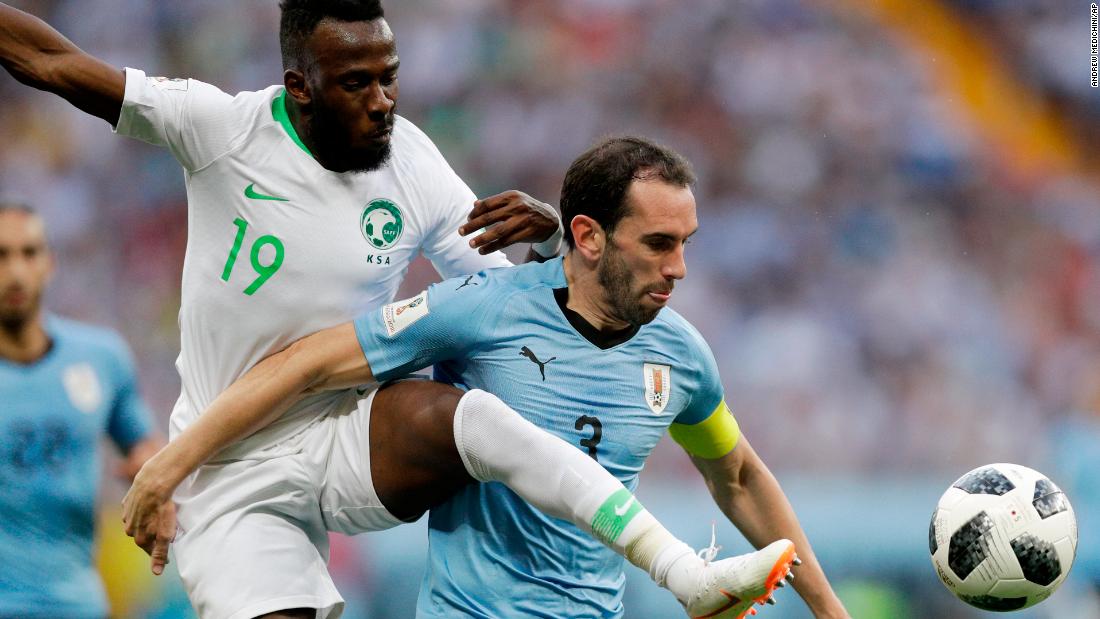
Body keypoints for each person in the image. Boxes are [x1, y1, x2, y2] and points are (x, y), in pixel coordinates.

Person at [0, 3, 789, 618]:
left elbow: (505, 297)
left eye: (391, 76)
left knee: (471, 413)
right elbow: (50, 58)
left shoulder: (408, 157)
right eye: (357, 83)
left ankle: (685, 573)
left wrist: (562, 242)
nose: (383, 101)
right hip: (226, 457)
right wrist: (168, 469)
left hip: (347, 433)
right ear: (299, 86)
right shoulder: (219, 128)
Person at [124, 137, 851, 619]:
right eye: (658, 244)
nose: (678, 268)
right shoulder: (484, 310)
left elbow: (740, 477)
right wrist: (173, 464)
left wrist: (831, 612)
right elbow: (309, 361)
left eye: (685, 244)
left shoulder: (682, 355)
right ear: (590, 236)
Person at [0, 203, 163, 618]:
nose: (16, 271)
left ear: (50, 263)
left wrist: (150, 474)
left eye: (29, 253)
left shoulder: (101, 359)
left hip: (77, 605)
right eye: (1, 256)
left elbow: (144, 446)